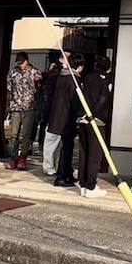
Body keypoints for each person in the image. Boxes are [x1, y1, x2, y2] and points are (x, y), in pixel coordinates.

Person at [77, 55, 114, 199]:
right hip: (96, 121)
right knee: (95, 154)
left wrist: (83, 116)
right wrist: (92, 116)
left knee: (84, 152)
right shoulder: (106, 80)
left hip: (83, 120)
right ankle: (91, 186)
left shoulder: (87, 78)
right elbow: (103, 100)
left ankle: (83, 183)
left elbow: (82, 97)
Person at [48, 53, 84, 187]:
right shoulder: (73, 80)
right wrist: (78, 118)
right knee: (67, 148)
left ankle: (67, 173)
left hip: (59, 116)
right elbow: (75, 102)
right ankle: (62, 176)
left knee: (65, 146)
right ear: (79, 67)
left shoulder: (62, 77)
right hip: (67, 117)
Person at [5, 52, 41, 170]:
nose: (21, 65)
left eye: (23, 62)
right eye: (19, 63)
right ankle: (13, 157)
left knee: (26, 134)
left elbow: (40, 88)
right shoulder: (13, 73)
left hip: (29, 107)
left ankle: (23, 157)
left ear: (27, 60)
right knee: (14, 134)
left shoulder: (35, 73)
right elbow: (9, 88)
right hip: (16, 107)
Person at [38, 59, 62, 175]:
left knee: (50, 142)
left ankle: (49, 166)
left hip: (52, 114)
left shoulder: (51, 81)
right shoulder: (61, 80)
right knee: (56, 143)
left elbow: (48, 99)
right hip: (59, 114)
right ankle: (54, 166)